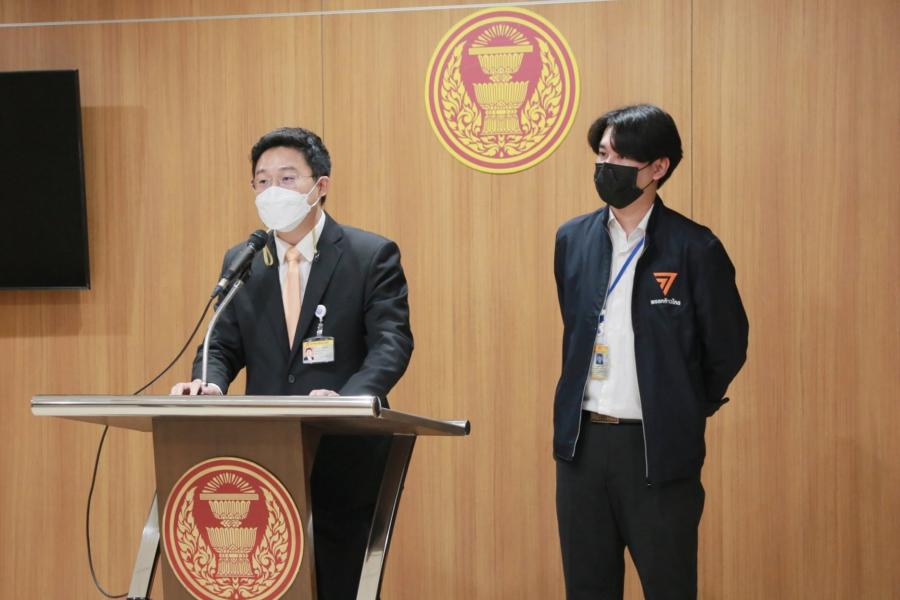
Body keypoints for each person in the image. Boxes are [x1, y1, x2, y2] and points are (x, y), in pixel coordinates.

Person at [171, 127, 414, 599]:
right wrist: (209, 383)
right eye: (262, 181)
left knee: (337, 583)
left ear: (320, 186)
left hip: (344, 451)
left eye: (286, 178)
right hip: (263, 454)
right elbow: (219, 344)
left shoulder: (369, 255)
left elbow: (392, 343)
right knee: (267, 582)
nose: (272, 191)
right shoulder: (244, 260)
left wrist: (347, 402)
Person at [553, 104, 748, 599]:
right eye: (602, 154)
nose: (606, 166)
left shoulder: (695, 248)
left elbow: (727, 346)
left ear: (658, 167)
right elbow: (575, 326)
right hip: (582, 448)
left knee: (669, 587)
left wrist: (684, 403)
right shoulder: (572, 239)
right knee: (587, 588)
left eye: (621, 157)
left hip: (656, 449)